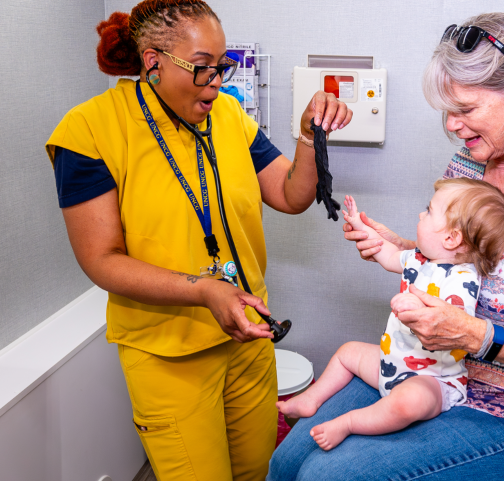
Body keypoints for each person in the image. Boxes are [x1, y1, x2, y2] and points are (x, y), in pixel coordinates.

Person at [269, 12, 504, 481]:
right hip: (439, 370)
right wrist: (397, 248)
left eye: (465, 109)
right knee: (289, 461)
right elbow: (457, 262)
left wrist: (480, 338)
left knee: (328, 476)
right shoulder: (469, 163)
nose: (452, 126)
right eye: (446, 111)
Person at [44, 1, 351, 479]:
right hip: (169, 356)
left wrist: (309, 135)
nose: (218, 82)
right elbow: (101, 260)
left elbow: (291, 196)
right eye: (203, 68)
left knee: (257, 472)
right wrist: (204, 289)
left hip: (249, 336)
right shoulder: (89, 132)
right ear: (153, 62)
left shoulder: (227, 114)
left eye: (222, 66)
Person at [277, 181, 504, 450]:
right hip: (391, 364)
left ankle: (347, 423)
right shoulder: (418, 259)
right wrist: (363, 228)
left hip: (432, 380)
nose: (420, 215)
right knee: (347, 353)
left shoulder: (463, 279)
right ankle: (312, 397)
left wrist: (415, 306)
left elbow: (452, 321)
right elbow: (387, 253)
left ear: (451, 238)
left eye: (428, 211)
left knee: (408, 403)